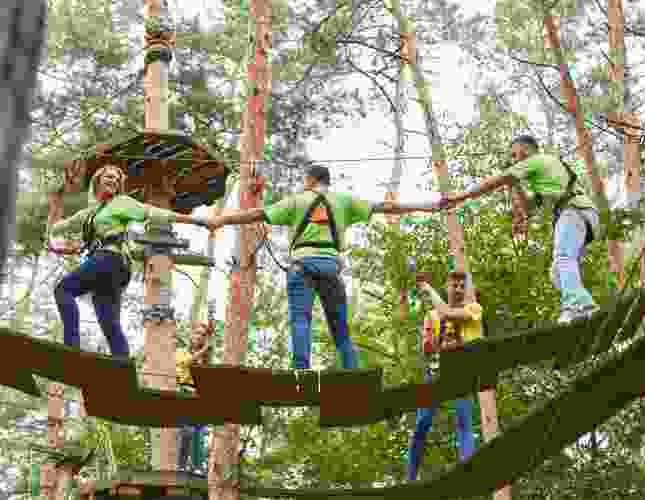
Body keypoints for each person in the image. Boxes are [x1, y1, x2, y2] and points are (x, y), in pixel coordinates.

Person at [206, 164, 445, 369]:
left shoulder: (298, 200)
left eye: (304, 180)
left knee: (301, 319)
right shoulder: (344, 201)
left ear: (311, 180)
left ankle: (302, 371)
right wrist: (428, 206)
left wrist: (222, 220)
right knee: (340, 328)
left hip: (302, 266)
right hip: (331, 267)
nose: (303, 184)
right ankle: (355, 374)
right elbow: (386, 207)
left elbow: (256, 214)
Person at [48, 165, 209, 360]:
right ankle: (122, 367)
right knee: (109, 323)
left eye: (117, 179)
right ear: (97, 181)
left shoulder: (121, 202)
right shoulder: (89, 214)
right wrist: (56, 203)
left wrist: (199, 221)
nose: (113, 181)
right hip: (110, 268)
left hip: (110, 260)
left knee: (63, 290)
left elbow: (152, 212)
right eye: (109, 177)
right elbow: (58, 228)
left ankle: (71, 350)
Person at [445, 135, 600, 324]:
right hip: (581, 214)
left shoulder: (536, 160)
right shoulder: (546, 171)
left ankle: (577, 307)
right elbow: (527, 208)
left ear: (525, 151)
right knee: (557, 272)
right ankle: (584, 304)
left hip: (574, 211)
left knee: (564, 258)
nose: (513, 159)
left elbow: (496, 181)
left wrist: (461, 196)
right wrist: (516, 185)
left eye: (514, 154)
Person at [408, 271, 481, 480]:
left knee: (464, 422)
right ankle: (410, 477)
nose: (458, 289)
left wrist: (428, 290)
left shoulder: (473, 309)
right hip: (435, 372)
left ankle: (468, 474)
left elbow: (451, 314)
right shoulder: (431, 315)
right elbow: (427, 347)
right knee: (422, 424)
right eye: (454, 285)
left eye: (461, 286)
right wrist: (430, 343)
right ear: (447, 287)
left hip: (460, 374)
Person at [176, 321, 213, 474]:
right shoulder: (181, 352)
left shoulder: (204, 356)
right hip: (185, 391)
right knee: (187, 430)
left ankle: (198, 466)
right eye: (197, 333)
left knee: (200, 431)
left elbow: (207, 371)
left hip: (200, 394)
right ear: (191, 336)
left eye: (202, 335)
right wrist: (203, 350)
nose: (199, 337)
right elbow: (186, 363)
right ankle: (182, 465)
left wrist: (207, 349)